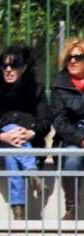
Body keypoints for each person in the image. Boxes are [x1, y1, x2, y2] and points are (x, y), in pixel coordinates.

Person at [0, 45, 51, 220]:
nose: (8, 70)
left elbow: (45, 121)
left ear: (24, 67)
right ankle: (31, 171)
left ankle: (18, 209)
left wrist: (31, 133)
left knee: (11, 150)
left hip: (28, 141)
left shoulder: (36, 89)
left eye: (14, 65)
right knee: (10, 131)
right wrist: (3, 135)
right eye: (4, 66)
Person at [50, 37, 84, 220]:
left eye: (78, 57)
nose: (73, 61)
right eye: (69, 58)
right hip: (71, 138)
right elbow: (60, 122)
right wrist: (80, 139)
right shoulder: (59, 84)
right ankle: (71, 209)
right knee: (72, 161)